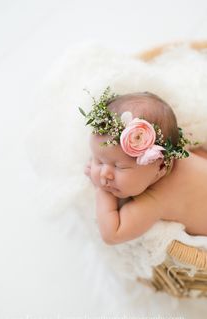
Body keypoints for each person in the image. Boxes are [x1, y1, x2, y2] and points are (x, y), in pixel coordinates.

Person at [79, 87, 207, 245]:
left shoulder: (154, 200)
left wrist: (102, 190)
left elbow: (113, 234)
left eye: (120, 167)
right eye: (98, 160)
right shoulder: (181, 154)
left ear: (160, 168)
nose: (104, 174)